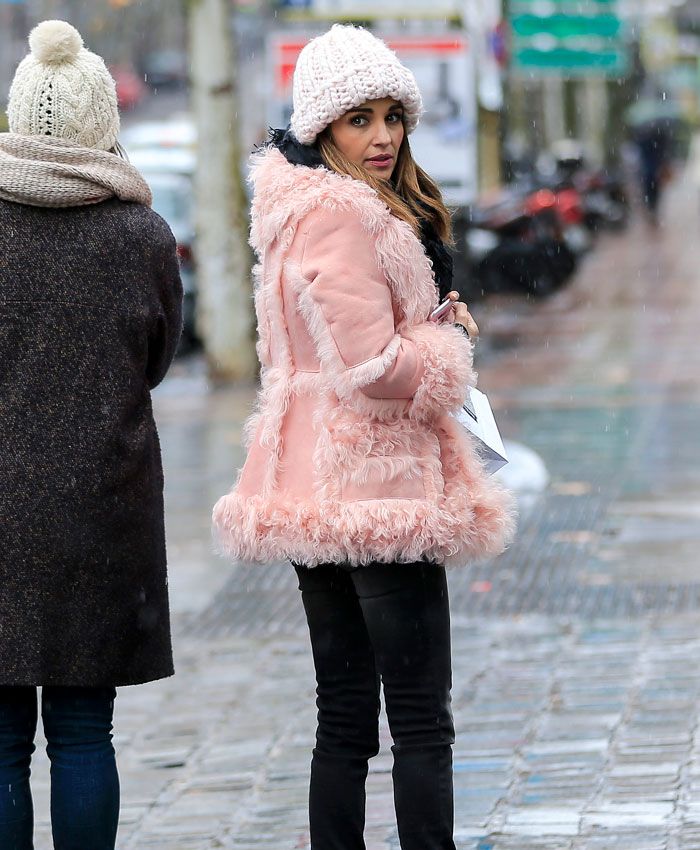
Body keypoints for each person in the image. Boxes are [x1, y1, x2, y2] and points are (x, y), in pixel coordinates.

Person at [213, 25, 514, 849]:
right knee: (420, 722)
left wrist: (427, 321)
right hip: (376, 487)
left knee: (343, 718)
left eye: (392, 116)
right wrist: (443, 346)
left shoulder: (295, 211)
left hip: (317, 488)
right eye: (359, 120)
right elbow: (373, 366)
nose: (382, 136)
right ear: (321, 127)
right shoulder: (343, 217)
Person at [0, 20, 182, 850]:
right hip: (99, 509)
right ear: (101, 122)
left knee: (1, 742)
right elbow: (156, 358)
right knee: (82, 734)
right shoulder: (139, 235)